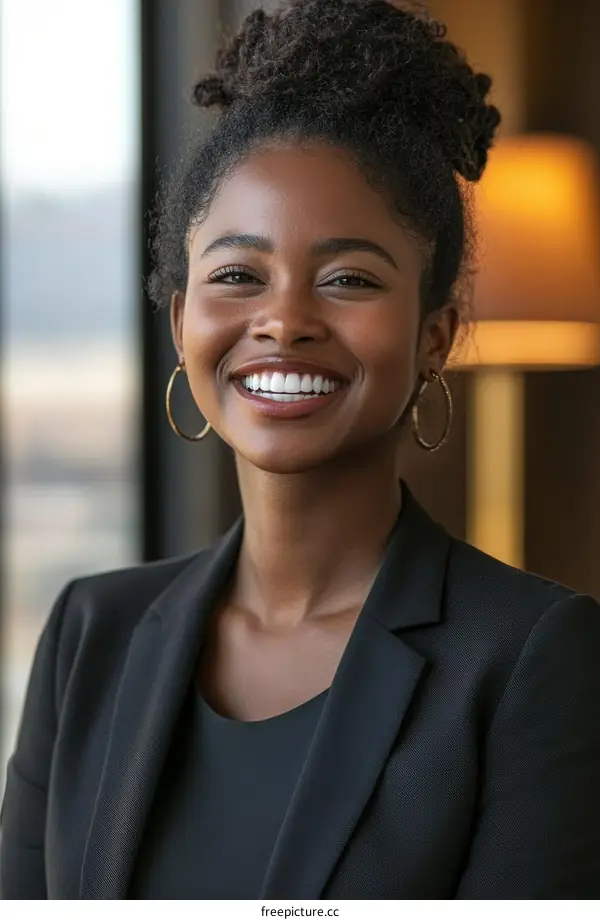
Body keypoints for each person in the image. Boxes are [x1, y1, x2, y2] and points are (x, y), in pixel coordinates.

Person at [2, 0, 600, 900]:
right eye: (237, 276)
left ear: (435, 334)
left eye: (348, 279)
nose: (283, 320)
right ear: (180, 322)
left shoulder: (530, 660)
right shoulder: (91, 635)